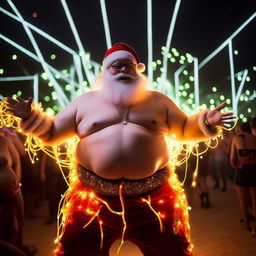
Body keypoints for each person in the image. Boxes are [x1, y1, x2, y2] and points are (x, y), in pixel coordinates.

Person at [6, 43, 235, 256]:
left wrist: (206, 121)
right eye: (117, 66)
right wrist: (31, 117)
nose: (124, 70)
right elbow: (52, 133)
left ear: (138, 70)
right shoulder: (85, 102)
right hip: (92, 200)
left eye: (129, 66)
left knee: (173, 250)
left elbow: (185, 128)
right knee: (75, 249)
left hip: (154, 200)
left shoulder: (158, 101)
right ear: (105, 71)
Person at [230, 121, 256, 236]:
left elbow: (232, 159)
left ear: (240, 129)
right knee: (255, 201)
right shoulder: (255, 138)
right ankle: (255, 227)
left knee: (243, 201)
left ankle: (247, 226)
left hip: (242, 170)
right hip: (255, 170)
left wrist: (238, 165)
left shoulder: (236, 138)